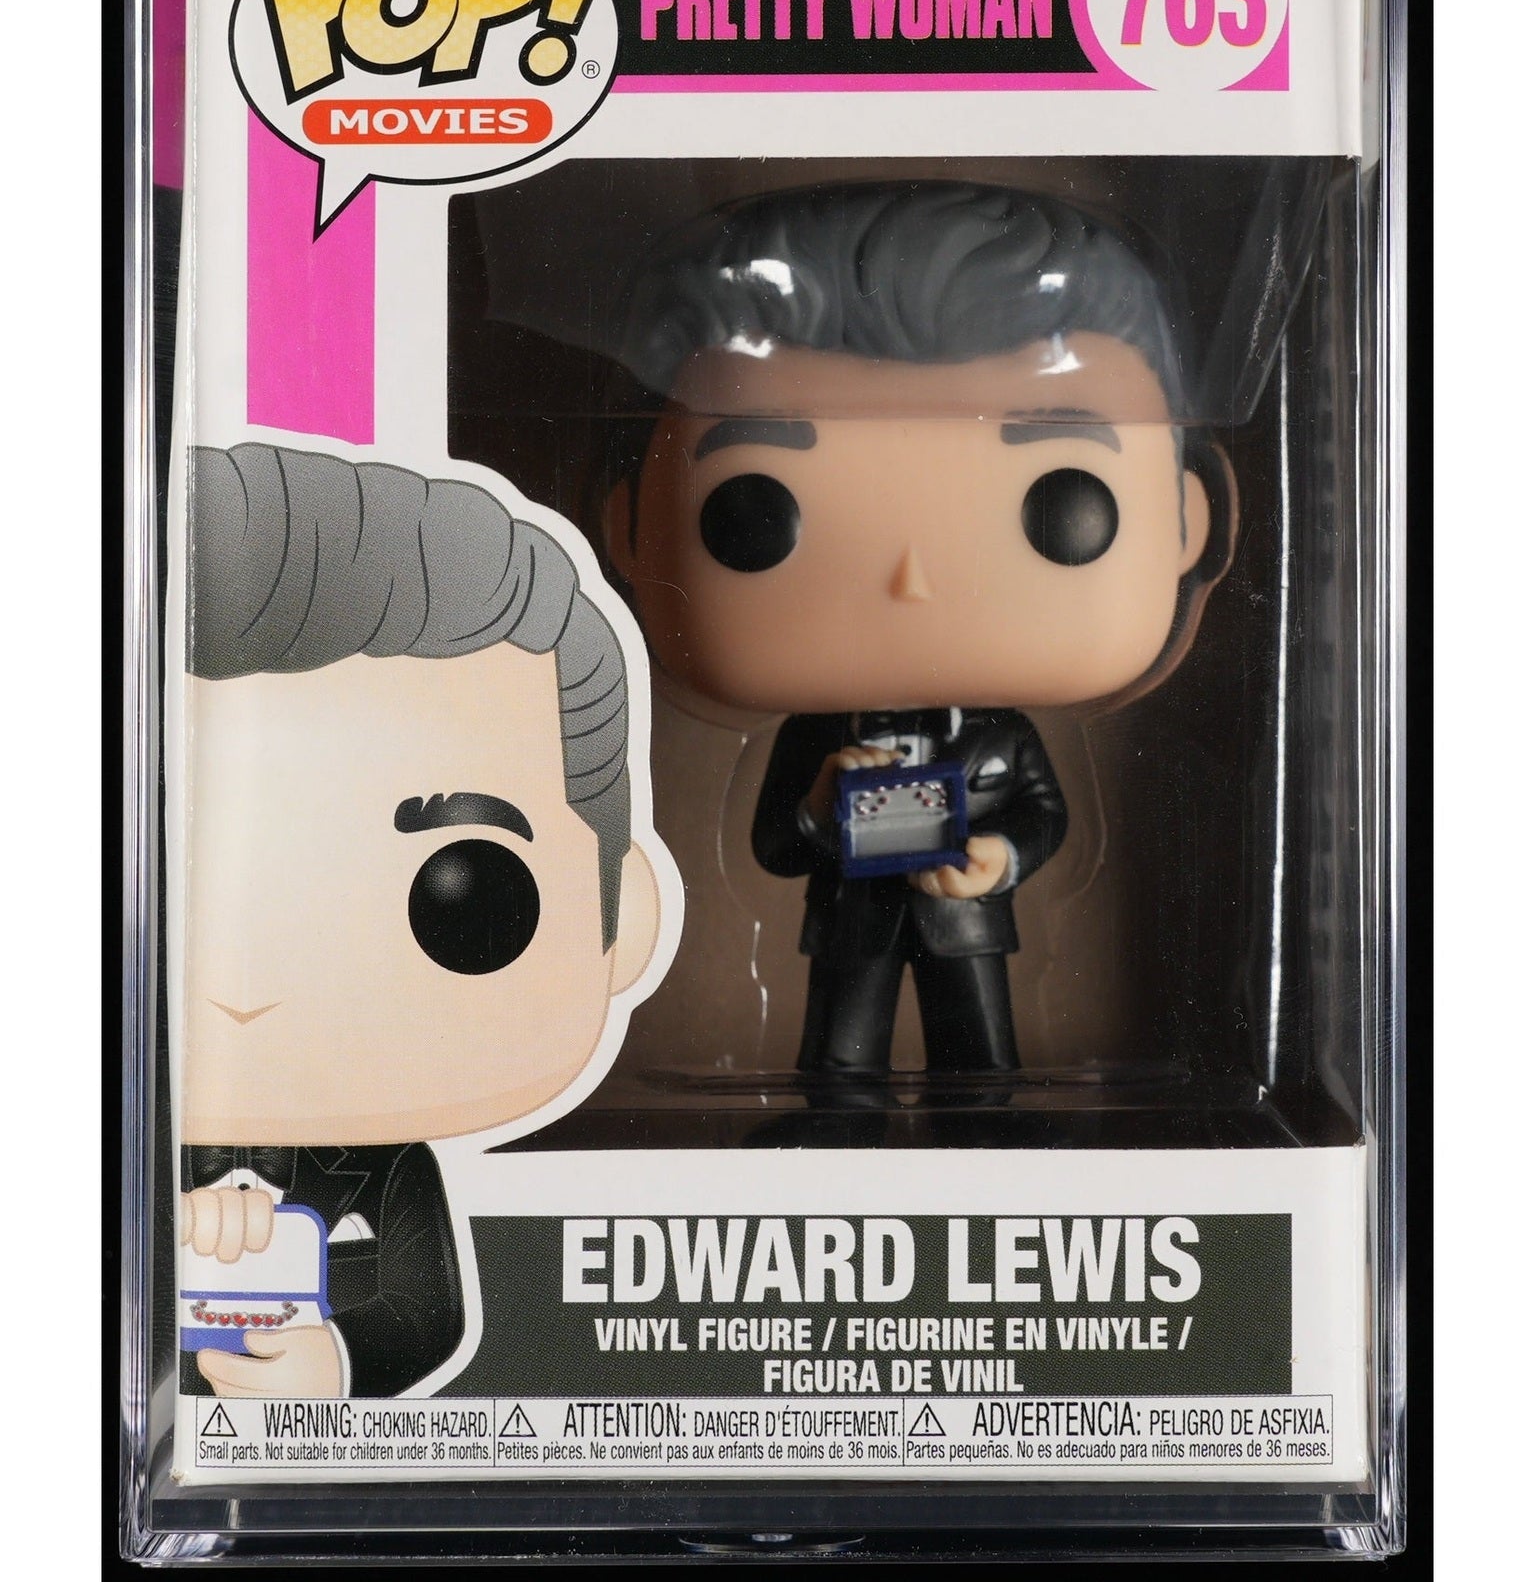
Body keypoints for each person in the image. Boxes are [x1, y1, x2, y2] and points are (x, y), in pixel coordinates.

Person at [607, 179, 1232, 1081]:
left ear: (1185, 522)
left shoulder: (1002, 736)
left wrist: (998, 858)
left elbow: (1043, 818)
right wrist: (820, 804)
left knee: (979, 1058)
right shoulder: (817, 739)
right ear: (630, 527)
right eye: (754, 512)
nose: (913, 580)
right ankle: (839, 1126)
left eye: (1062, 506)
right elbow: (774, 847)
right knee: (839, 1057)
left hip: (965, 922)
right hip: (850, 928)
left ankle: (984, 1126)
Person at [179, 443, 662, 1396]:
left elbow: (425, 1312)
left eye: (465, 893)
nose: (249, 982)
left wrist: (333, 1363)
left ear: (622, 917)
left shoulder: (391, 1170)